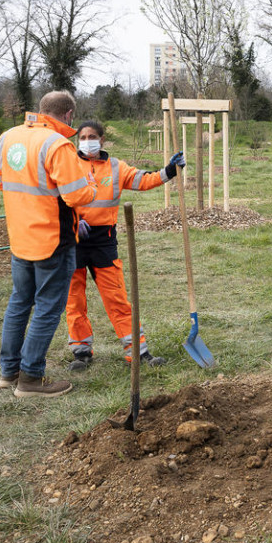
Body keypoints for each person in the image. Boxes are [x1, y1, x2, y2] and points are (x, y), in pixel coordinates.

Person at [0, 91, 97, 398]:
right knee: (49, 308)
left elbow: (1, 181)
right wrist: (90, 184)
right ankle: (30, 379)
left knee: (19, 303)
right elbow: (76, 195)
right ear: (67, 115)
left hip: (20, 237)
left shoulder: (8, 138)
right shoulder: (57, 144)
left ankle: (9, 372)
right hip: (53, 240)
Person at [66, 120, 186, 371]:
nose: (87, 140)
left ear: (102, 140)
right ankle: (81, 351)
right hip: (72, 239)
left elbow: (144, 180)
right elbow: (56, 199)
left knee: (117, 298)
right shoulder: (68, 164)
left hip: (103, 241)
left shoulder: (116, 167)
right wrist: (72, 223)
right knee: (74, 300)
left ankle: (139, 352)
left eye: (92, 136)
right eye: (83, 136)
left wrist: (170, 171)